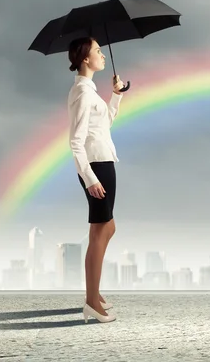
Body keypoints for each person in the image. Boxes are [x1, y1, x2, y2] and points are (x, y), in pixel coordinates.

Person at [67, 36, 124, 324]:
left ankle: (94, 292)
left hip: (103, 162)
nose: (103, 55)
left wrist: (116, 94)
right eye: (98, 51)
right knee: (102, 231)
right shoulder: (82, 92)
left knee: (104, 229)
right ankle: (91, 301)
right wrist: (89, 178)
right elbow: (75, 142)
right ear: (85, 59)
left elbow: (105, 125)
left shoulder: (90, 91)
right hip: (97, 167)